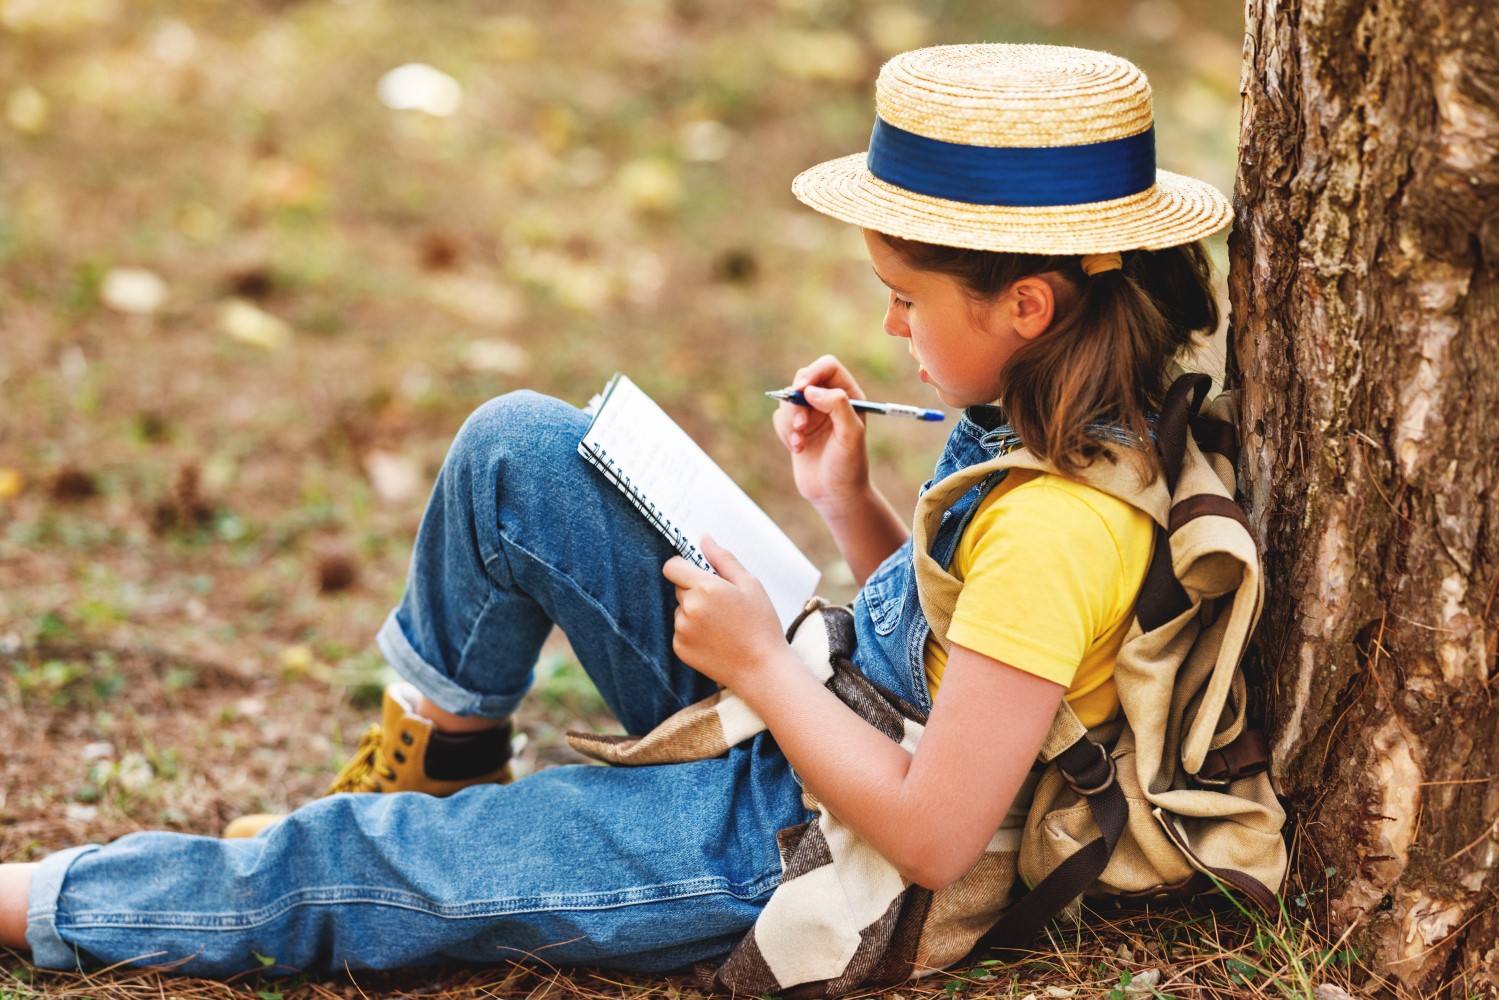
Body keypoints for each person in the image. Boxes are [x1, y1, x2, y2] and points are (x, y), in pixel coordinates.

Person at [0, 43, 1230, 978]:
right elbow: (946, 649)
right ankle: (438, 762)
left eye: (905, 298)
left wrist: (760, 661)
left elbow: (932, 834)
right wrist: (844, 501)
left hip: (790, 838)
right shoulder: (1040, 396)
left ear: (1026, 302)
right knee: (522, 452)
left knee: (356, 869)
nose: (889, 326)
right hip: (811, 718)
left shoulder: (1064, 523)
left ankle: (41, 900)